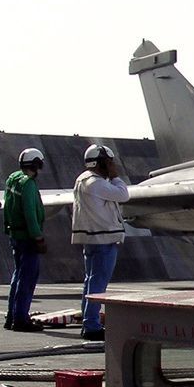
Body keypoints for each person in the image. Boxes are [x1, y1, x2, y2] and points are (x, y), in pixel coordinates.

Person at [71, 144, 130, 341]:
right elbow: (123, 195)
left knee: (90, 281)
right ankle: (91, 325)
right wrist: (114, 176)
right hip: (103, 237)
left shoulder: (81, 180)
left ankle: (89, 320)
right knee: (98, 283)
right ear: (102, 162)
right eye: (109, 162)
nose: (112, 165)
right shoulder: (96, 182)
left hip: (91, 238)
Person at [3, 148, 47, 332]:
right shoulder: (28, 183)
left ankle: (12, 316)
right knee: (27, 279)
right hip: (28, 238)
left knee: (18, 276)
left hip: (15, 235)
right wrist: (38, 237)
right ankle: (21, 319)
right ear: (36, 164)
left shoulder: (12, 178)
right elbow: (30, 213)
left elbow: (7, 205)